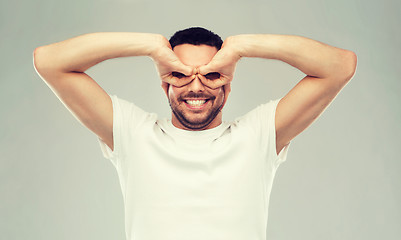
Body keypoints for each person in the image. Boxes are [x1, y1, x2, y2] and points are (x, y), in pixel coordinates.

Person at [33, 27, 357, 240]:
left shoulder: (258, 136)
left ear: (227, 87)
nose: (197, 86)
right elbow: (48, 62)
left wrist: (242, 47)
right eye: (181, 74)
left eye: (211, 74)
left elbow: (340, 66)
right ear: (164, 84)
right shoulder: (133, 134)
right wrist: (150, 46)